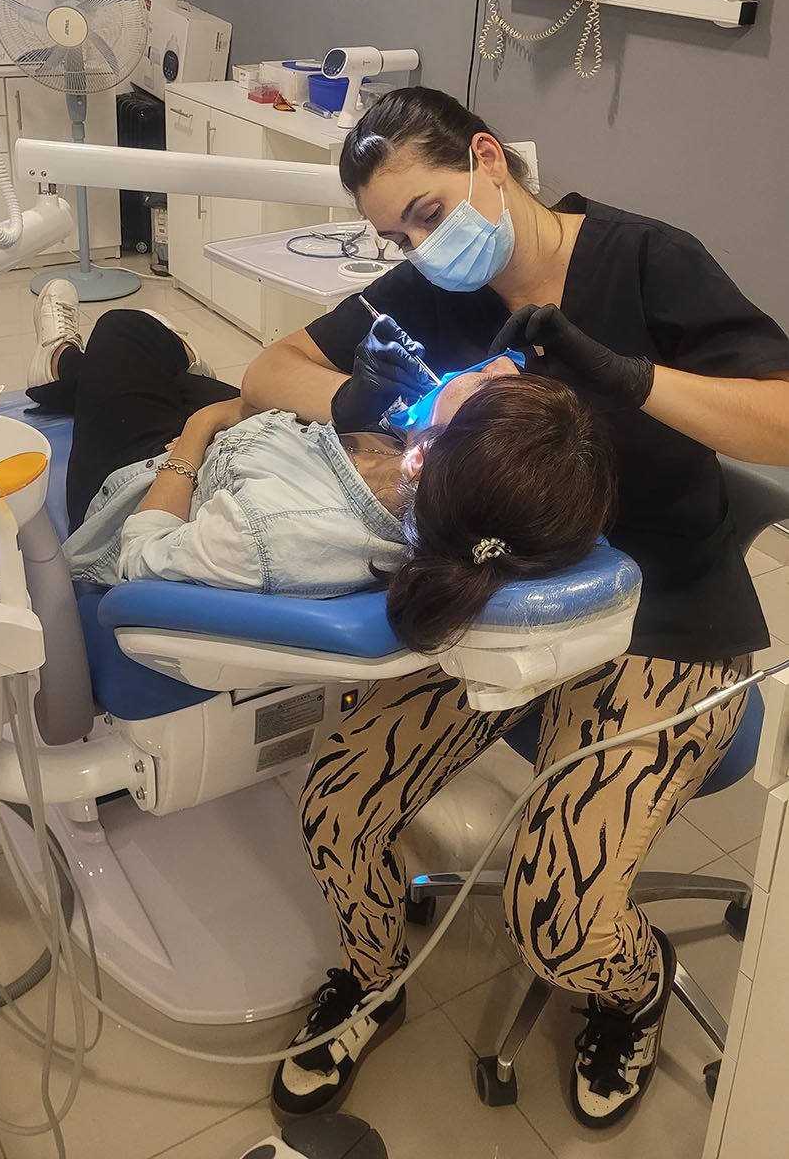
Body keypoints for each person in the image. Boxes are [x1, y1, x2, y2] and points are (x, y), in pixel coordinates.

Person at [240, 87, 789, 1129]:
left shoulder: (646, 260)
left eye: (429, 212)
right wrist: (373, 399)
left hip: (663, 610)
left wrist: (629, 379)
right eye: (396, 236)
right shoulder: (435, 289)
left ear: (489, 160)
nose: (420, 247)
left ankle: (633, 988)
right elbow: (272, 371)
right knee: (338, 811)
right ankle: (373, 972)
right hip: (505, 592)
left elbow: (785, 419)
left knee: (561, 917)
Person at [24, 281, 612, 609]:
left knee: (125, 330)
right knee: (166, 370)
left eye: (488, 384)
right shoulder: (442, 493)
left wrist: (201, 429)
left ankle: (64, 361)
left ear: (422, 457)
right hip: (249, 442)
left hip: (146, 479)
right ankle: (147, 371)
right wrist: (354, 402)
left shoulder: (269, 531)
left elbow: (141, 556)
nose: (500, 365)